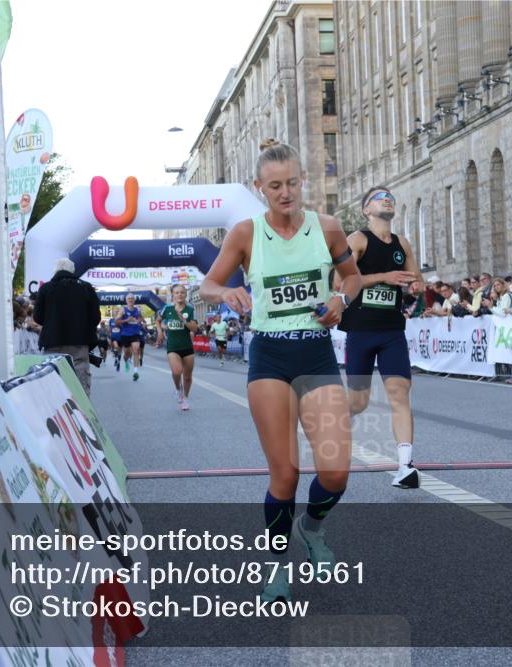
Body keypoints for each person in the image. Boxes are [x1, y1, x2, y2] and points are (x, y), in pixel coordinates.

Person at [199, 138, 362, 603]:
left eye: (292, 182)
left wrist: (340, 299)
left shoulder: (328, 228)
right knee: (286, 473)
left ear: (302, 180)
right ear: (259, 188)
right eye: (275, 186)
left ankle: (312, 529)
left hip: (316, 353)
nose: (285, 193)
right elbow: (207, 284)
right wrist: (226, 294)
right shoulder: (246, 234)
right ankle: (276, 567)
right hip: (270, 355)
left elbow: (350, 277)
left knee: (335, 471)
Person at [336, 185, 425, 489]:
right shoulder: (357, 239)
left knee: (400, 393)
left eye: (389, 196)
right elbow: (340, 279)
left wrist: (415, 286)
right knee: (358, 402)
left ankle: (405, 466)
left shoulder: (403, 243)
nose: (386, 198)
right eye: (378, 197)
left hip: (391, 330)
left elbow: (417, 280)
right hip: (361, 330)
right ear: (366, 210)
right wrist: (383, 277)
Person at [33, 258, 100, 396]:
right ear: (72, 271)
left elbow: (38, 318)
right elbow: (96, 318)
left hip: (52, 343)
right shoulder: (86, 288)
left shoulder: (45, 288)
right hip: (79, 344)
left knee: (53, 382)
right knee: (81, 386)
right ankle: (82, 414)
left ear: (55, 271)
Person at [156, 284, 198, 410]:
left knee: (188, 376)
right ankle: (178, 389)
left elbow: (195, 328)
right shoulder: (167, 308)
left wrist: (183, 320)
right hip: (173, 346)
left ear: (185, 295)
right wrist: (160, 331)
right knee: (176, 371)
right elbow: (158, 321)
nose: (179, 294)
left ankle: (185, 398)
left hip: (187, 347)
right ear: (173, 295)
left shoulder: (190, 309)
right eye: (177, 292)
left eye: (182, 292)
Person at [114, 294, 145, 381]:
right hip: (125, 334)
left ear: (134, 300)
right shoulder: (123, 310)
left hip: (135, 333)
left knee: (136, 350)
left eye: (132, 298)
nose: (131, 300)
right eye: (129, 299)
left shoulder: (137, 309)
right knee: (127, 353)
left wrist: (139, 320)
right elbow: (116, 321)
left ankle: (135, 372)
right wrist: (126, 320)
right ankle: (126, 361)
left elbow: (141, 318)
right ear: (126, 300)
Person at [109, 307, 123, 371]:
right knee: (116, 347)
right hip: (114, 337)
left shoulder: (121, 320)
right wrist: (109, 335)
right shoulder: (111, 320)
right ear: (113, 313)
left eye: (117, 311)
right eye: (115, 311)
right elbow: (110, 329)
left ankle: (118, 362)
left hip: (121, 337)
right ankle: (116, 356)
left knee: (120, 352)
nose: (116, 312)